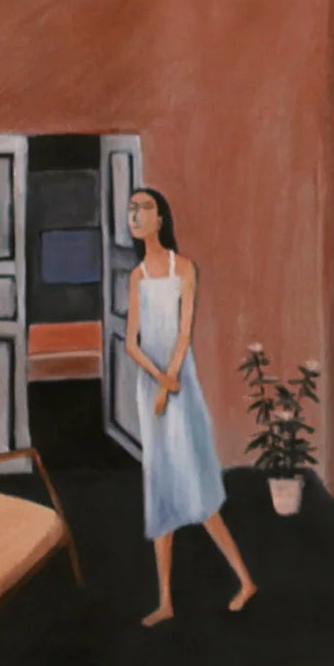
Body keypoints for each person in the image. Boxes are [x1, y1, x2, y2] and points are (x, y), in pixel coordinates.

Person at [123, 187, 257, 626]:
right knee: (159, 483)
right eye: (132, 209)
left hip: (182, 387)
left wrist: (171, 382)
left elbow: (184, 334)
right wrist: (159, 381)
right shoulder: (137, 276)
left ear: (161, 219)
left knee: (194, 483)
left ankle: (244, 580)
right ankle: (165, 600)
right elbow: (131, 344)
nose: (136, 215)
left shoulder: (184, 268)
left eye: (144, 208)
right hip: (154, 387)